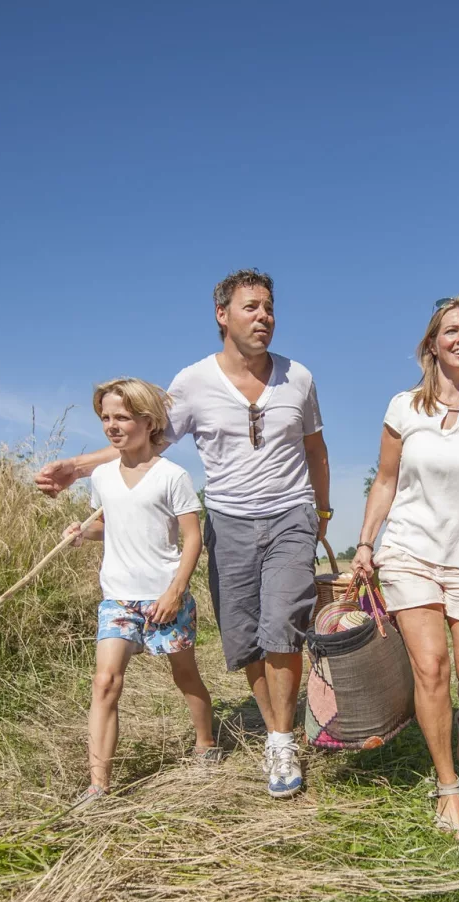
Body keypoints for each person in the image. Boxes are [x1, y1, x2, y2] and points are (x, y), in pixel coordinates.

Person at [36, 270, 332, 798]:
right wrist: (79, 468)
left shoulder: (300, 378)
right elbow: (144, 445)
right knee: (246, 637)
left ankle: (282, 740)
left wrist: (322, 513)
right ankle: (273, 727)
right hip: (229, 522)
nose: (264, 317)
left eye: (269, 308)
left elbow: (315, 450)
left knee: (283, 620)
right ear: (222, 315)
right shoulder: (193, 382)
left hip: (290, 513)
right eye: (251, 308)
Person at [349, 298, 459, 838]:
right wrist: (366, 543)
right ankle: (448, 789)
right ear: (432, 344)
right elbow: (386, 481)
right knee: (432, 668)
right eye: (451, 330)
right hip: (410, 553)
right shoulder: (403, 408)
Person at [63, 378, 217, 805]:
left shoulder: (173, 476)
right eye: (106, 418)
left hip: (164, 596)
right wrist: (82, 533)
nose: (112, 426)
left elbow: (192, 539)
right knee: (105, 682)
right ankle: (99, 784)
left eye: (122, 418)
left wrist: (175, 591)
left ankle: (206, 742)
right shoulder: (104, 477)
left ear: (148, 422)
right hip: (118, 597)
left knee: (185, 675)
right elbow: (110, 525)